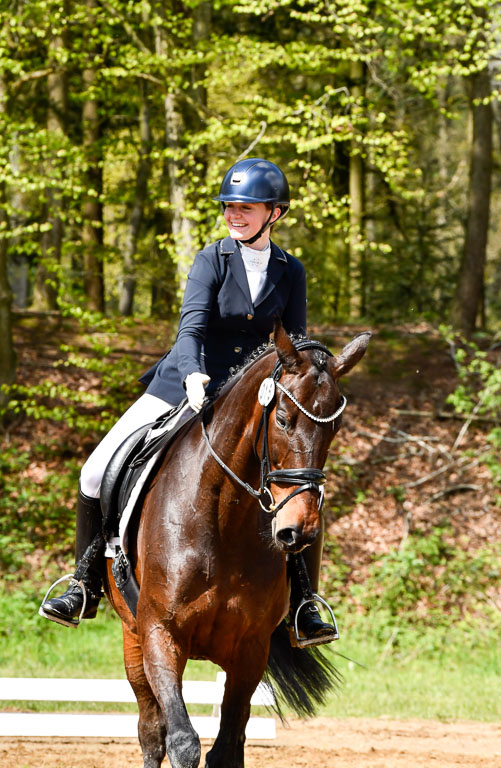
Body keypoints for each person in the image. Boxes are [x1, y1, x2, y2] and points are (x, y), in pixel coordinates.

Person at [39, 157, 336, 643]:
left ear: (274, 213)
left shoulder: (290, 270)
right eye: (229, 207)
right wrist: (194, 373)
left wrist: (293, 383)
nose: (234, 214)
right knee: (94, 470)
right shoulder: (210, 260)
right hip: (187, 382)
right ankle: (83, 581)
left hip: (256, 397)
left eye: (246, 207)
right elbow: (190, 328)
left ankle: (303, 602)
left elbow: (295, 344)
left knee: (302, 486)